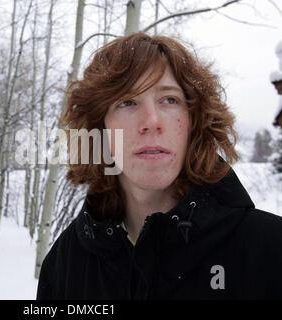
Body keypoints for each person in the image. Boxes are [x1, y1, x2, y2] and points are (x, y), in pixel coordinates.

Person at [36, 32, 282, 300]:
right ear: (100, 127)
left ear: (194, 122)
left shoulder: (272, 252)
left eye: (169, 100)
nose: (151, 121)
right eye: (127, 102)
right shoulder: (65, 264)